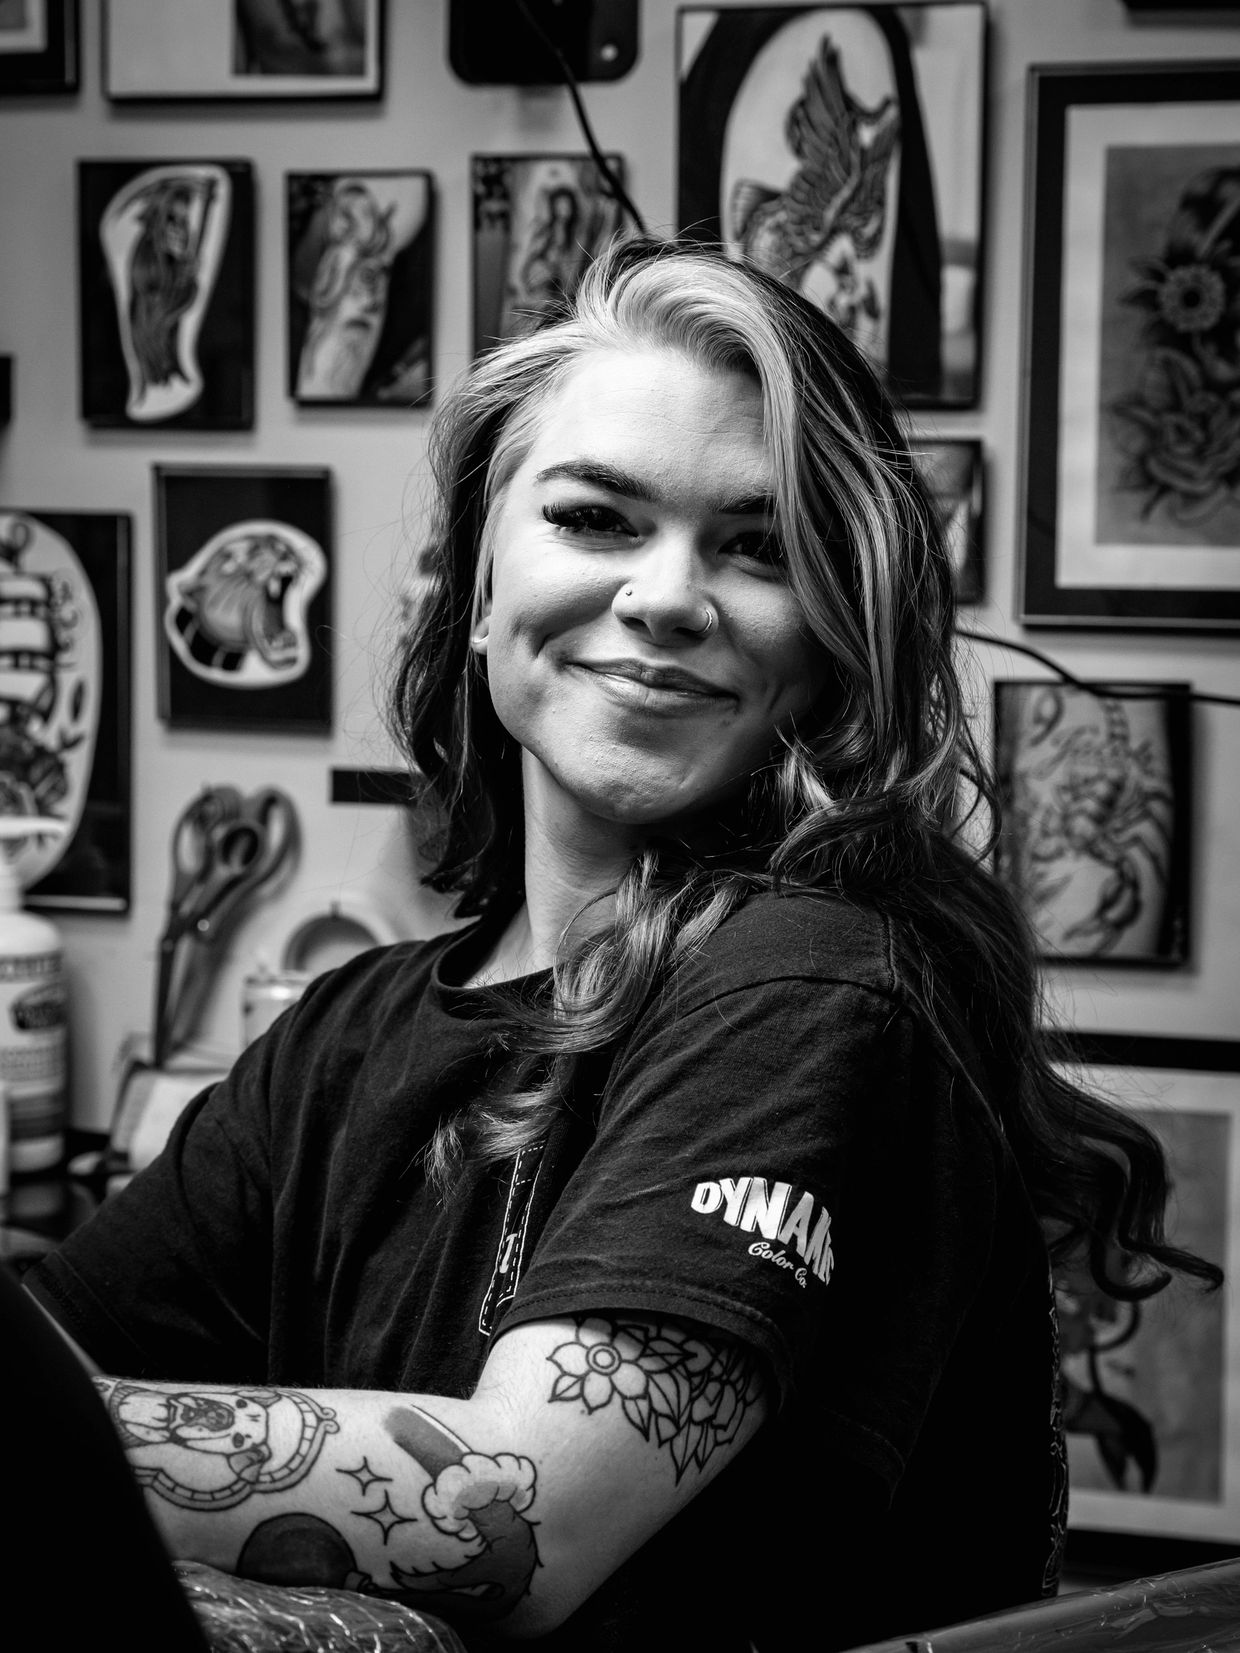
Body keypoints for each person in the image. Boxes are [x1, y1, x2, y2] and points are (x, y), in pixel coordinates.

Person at [26, 237, 1219, 1652]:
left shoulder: (814, 986)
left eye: (759, 547)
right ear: (479, 588)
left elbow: (517, 1515)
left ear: (833, 636)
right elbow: (63, 1352)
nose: (665, 596)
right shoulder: (341, 1035)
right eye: (596, 518)